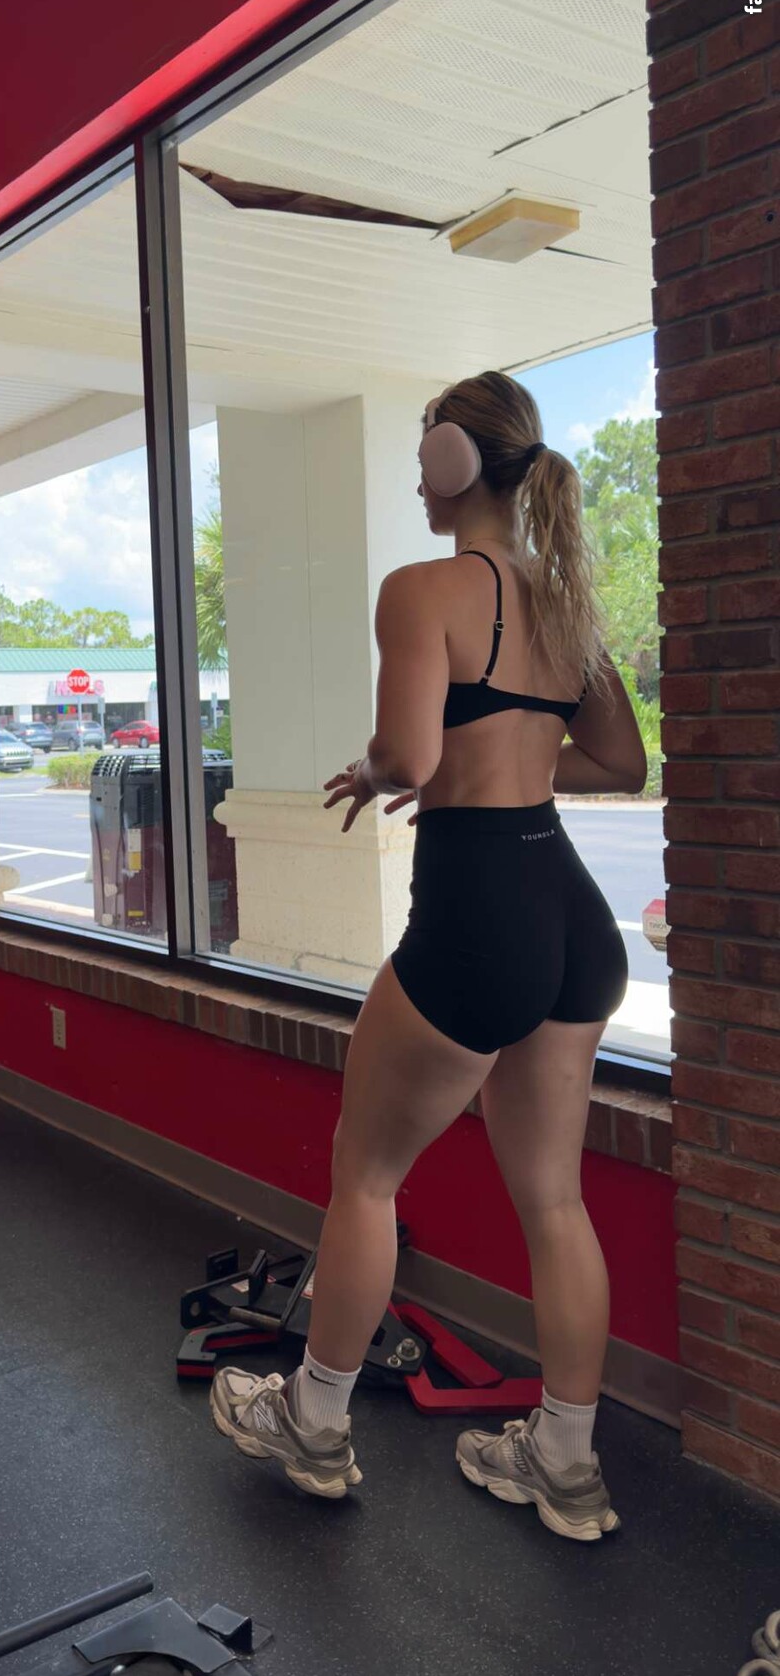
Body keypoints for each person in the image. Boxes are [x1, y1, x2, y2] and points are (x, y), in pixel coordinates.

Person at [209, 369, 646, 1541]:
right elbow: (623, 763)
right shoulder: (565, 599)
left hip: (479, 909)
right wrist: (516, 761)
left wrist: (384, 770)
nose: (414, 480)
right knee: (556, 1199)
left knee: (366, 1177)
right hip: (570, 914)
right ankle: (565, 1464)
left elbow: (406, 752)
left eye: (421, 458)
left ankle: (314, 1423)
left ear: (457, 460)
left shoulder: (421, 590)